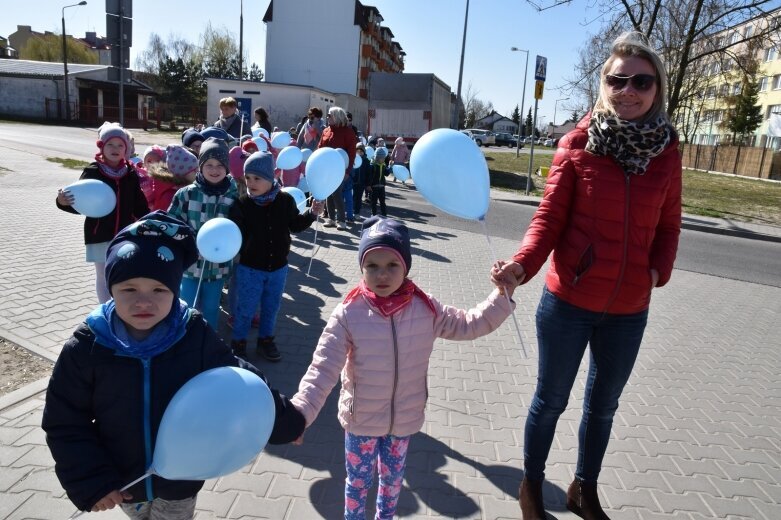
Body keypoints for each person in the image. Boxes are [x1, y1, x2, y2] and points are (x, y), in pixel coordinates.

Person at [490, 31, 681, 520]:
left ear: (657, 86)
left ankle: (583, 488)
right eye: (618, 80)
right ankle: (531, 486)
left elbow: (669, 221)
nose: (629, 90)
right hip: (568, 304)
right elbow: (548, 218)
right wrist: (521, 265)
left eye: (641, 80)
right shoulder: (578, 143)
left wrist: (657, 270)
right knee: (550, 401)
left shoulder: (666, 151)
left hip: (628, 311)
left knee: (603, 409)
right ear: (605, 85)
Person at [42, 211, 305, 518]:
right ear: (110, 290)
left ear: (175, 290)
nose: (144, 302)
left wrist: (285, 420)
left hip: (182, 479)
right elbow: (64, 420)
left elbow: (238, 377)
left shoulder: (192, 334)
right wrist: (91, 480)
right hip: (123, 482)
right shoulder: (88, 346)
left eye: (159, 290)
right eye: (129, 289)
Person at [291, 216, 515, 520]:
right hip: (361, 422)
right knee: (357, 485)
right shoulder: (348, 314)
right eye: (372, 266)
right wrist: (301, 413)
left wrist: (502, 297)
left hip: (404, 420)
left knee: (392, 484)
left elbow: (468, 323)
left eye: (392, 265)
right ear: (361, 269)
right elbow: (322, 368)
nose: (382, 274)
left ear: (406, 266)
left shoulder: (425, 308)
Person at [228, 151, 323, 361]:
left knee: (271, 308)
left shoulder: (285, 200)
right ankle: (238, 343)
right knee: (245, 309)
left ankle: (266, 341)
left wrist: (312, 214)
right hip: (250, 268)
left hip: (278, 268)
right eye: (248, 178)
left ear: (270, 179)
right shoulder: (241, 204)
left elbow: (295, 225)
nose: (251, 183)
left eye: (257, 178)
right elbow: (235, 236)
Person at [56, 122, 150, 303]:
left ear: (127, 149)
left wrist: (147, 220)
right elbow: (78, 200)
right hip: (98, 234)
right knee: (103, 274)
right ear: (101, 147)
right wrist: (62, 201)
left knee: (123, 273)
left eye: (120, 145)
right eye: (110, 144)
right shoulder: (93, 171)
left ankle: (120, 307)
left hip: (125, 234)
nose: (115, 149)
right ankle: (105, 310)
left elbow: (139, 203)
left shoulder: (130, 173)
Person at [167, 137, 239, 328]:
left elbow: (238, 227)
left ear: (227, 168)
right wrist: (186, 243)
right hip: (190, 265)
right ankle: (181, 339)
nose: (214, 170)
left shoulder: (233, 196)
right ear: (200, 166)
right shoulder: (186, 194)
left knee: (211, 308)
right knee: (185, 305)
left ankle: (209, 343)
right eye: (209, 164)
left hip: (217, 268)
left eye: (220, 165)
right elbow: (172, 223)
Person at [317, 106, 356, 230]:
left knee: (337, 193)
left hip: (340, 169)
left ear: (337, 117)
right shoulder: (326, 130)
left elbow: (351, 153)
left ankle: (342, 220)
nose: (327, 117)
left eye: (329, 115)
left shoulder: (348, 132)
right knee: (329, 193)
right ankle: (331, 219)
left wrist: (348, 171)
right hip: (326, 167)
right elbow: (320, 148)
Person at [147, 145, 199, 212]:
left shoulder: (182, 188)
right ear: (182, 173)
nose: (198, 173)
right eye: (194, 170)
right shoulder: (171, 196)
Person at [366, 145, 389, 216]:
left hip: (381, 186)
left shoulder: (384, 165)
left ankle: (384, 214)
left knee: (382, 201)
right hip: (374, 187)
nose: (383, 159)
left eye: (384, 158)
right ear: (377, 157)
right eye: (381, 158)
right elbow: (369, 176)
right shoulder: (373, 165)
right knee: (374, 202)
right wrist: (368, 185)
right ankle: (374, 214)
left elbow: (386, 174)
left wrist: (389, 168)